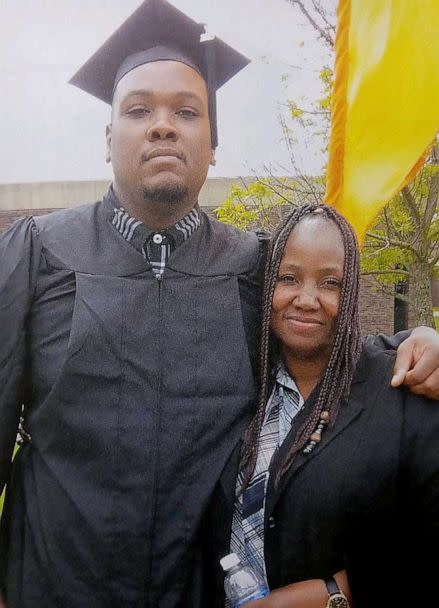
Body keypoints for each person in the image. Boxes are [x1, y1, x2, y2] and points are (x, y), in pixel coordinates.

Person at [0, 1, 438, 606]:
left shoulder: (256, 268)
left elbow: (332, 356)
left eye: (186, 110)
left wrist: (418, 344)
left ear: (213, 142)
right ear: (108, 139)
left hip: (199, 591)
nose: (162, 125)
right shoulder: (37, 255)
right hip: (54, 589)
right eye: (137, 110)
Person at [206, 204, 439, 607]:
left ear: (351, 294)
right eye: (288, 278)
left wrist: (332, 594)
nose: (307, 299)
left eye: (330, 283)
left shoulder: (403, 389)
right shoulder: (239, 386)